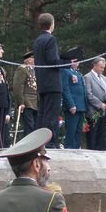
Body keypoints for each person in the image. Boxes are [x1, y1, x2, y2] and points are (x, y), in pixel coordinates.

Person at [33, 13, 79, 148]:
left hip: (42, 81)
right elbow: (53, 60)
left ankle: (40, 141)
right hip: (52, 82)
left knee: (42, 114)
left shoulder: (38, 40)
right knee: (51, 114)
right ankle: (49, 142)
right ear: (51, 24)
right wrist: (68, 62)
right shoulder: (50, 39)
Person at [84, 57, 106, 150]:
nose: (102, 69)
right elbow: (88, 94)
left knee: (101, 133)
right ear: (94, 65)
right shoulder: (88, 77)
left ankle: (100, 150)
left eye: (103, 68)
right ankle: (91, 150)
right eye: (100, 67)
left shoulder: (104, 78)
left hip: (103, 109)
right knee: (93, 133)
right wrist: (99, 104)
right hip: (93, 110)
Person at [13, 51, 39, 138]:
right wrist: (21, 102)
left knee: (34, 126)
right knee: (29, 126)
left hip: (35, 102)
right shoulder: (22, 69)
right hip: (26, 102)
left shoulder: (33, 71)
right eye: (34, 58)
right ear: (29, 60)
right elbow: (18, 86)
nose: (36, 60)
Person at [61, 62, 87, 149]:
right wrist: (71, 104)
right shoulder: (66, 71)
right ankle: (69, 148)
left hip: (81, 106)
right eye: (74, 61)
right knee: (71, 130)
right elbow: (66, 89)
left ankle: (76, 148)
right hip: (73, 106)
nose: (77, 63)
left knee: (78, 131)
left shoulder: (78, 73)